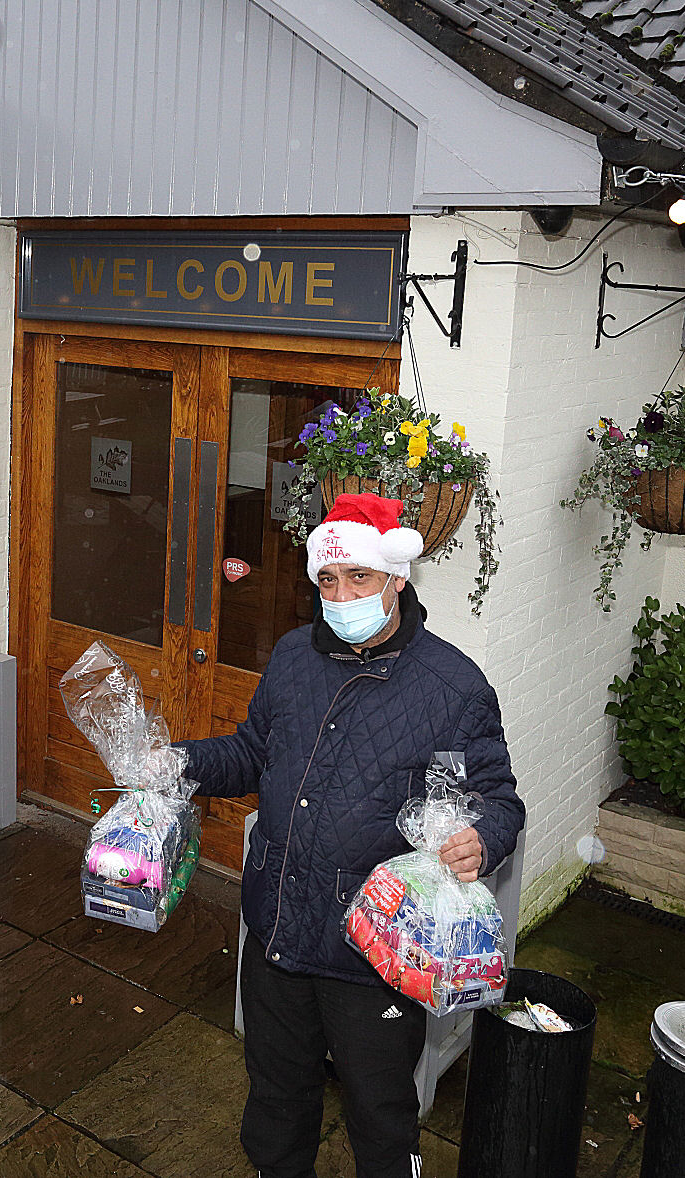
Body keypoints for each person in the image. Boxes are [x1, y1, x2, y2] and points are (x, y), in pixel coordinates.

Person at [164, 492, 524, 1178]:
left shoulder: (453, 686)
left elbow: (497, 799)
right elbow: (253, 753)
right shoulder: (293, 656)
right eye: (327, 580)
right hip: (276, 930)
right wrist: (177, 763)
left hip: (375, 951)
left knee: (381, 1116)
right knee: (276, 1099)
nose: (341, 595)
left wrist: (482, 839)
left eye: (359, 577)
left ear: (396, 579)